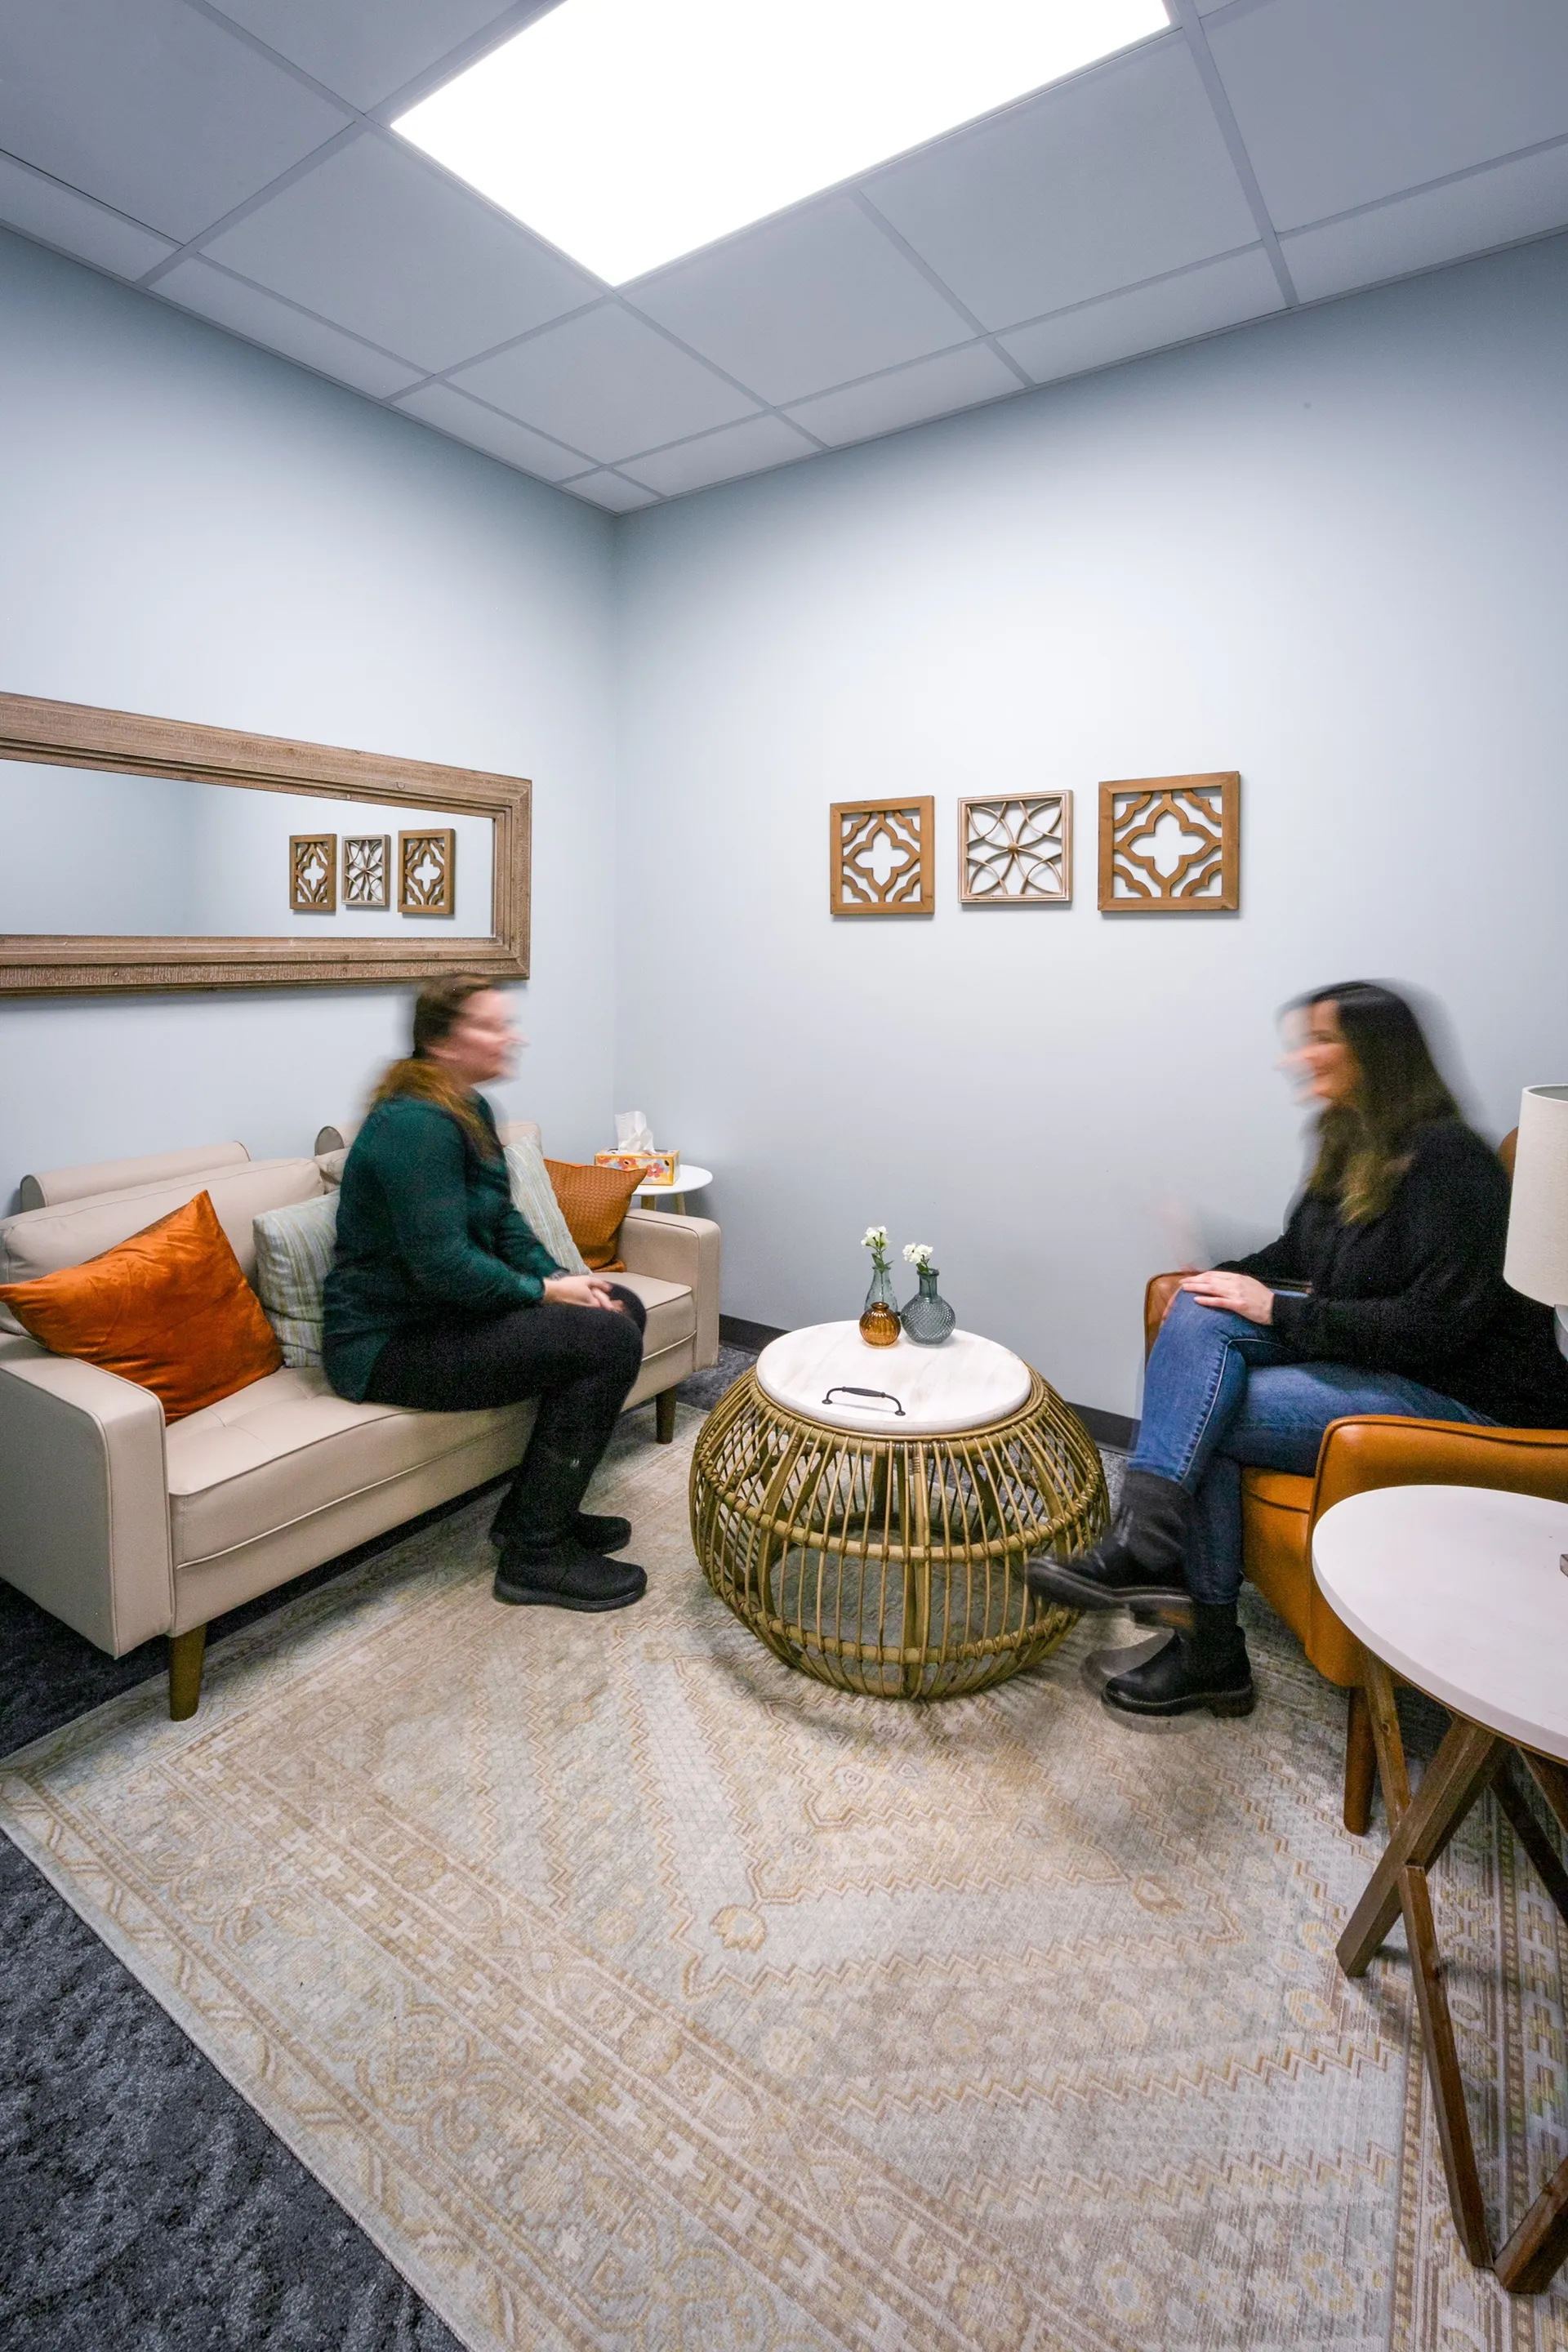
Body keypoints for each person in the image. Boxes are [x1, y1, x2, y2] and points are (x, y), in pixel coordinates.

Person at [1028, 982, 1568, 1722]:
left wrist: (1275, 1307)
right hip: (1381, 1361)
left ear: (1375, 1055)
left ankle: (1197, 1629)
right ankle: (1156, 1559)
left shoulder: (1452, 1162)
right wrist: (1224, 1274)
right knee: (1197, 1312)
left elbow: (1433, 1326)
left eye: (1320, 1042)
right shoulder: (1346, 1138)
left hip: (1457, 1393)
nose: (1298, 1059)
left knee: (1207, 1417)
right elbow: (1296, 1253)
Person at [323, 977, 649, 1612]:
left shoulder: (466, 1108)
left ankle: (532, 1513)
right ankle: (536, 1555)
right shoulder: (414, 1125)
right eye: (493, 1026)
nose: (513, 1036)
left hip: (447, 1319)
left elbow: (501, 1221)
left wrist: (565, 1282)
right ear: (444, 1042)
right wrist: (542, 1294)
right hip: (386, 1345)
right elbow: (442, 1266)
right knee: (605, 1338)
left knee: (617, 1306)